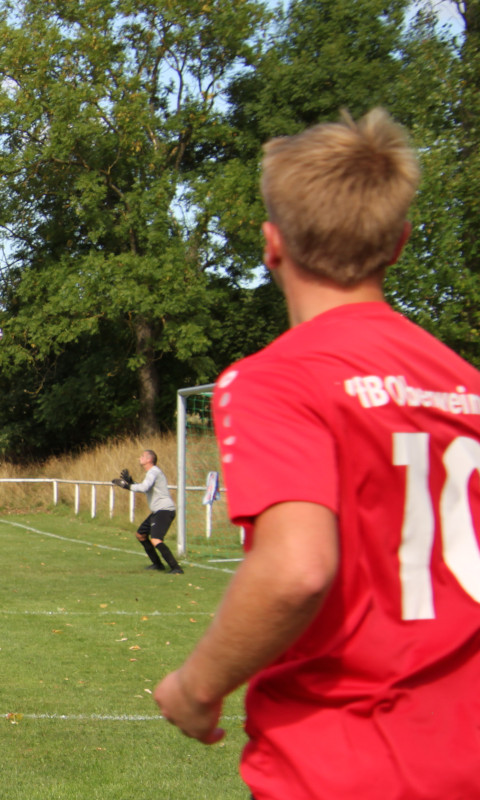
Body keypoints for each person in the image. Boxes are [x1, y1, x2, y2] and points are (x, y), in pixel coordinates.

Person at [153, 110, 480, 799]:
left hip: (346, 759)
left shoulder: (277, 379)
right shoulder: (464, 385)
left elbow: (297, 569)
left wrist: (196, 688)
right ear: (401, 241)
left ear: (272, 244)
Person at [111, 450, 182, 574]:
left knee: (156, 539)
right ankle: (158, 564)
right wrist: (132, 483)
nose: (140, 458)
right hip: (158, 511)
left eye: (142, 456)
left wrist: (127, 486)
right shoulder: (152, 473)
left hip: (164, 510)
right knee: (141, 535)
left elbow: (144, 488)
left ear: (149, 459)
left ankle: (176, 568)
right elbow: (147, 488)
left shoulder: (153, 471)